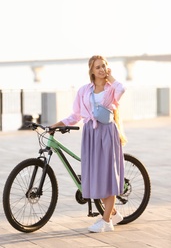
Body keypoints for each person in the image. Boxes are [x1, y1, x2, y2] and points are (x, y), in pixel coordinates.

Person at [51, 55, 126, 233]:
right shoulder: (84, 90)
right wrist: (57, 124)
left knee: (106, 174)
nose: (101, 70)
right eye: (98, 67)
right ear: (91, 70)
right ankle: (113, 213)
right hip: (90, 134)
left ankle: (106, 221)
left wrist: (111, 76)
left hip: (107, 132)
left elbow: (122, 88)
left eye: (104, 66)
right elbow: (75, 116)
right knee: (94, 175)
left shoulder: (111, 89)